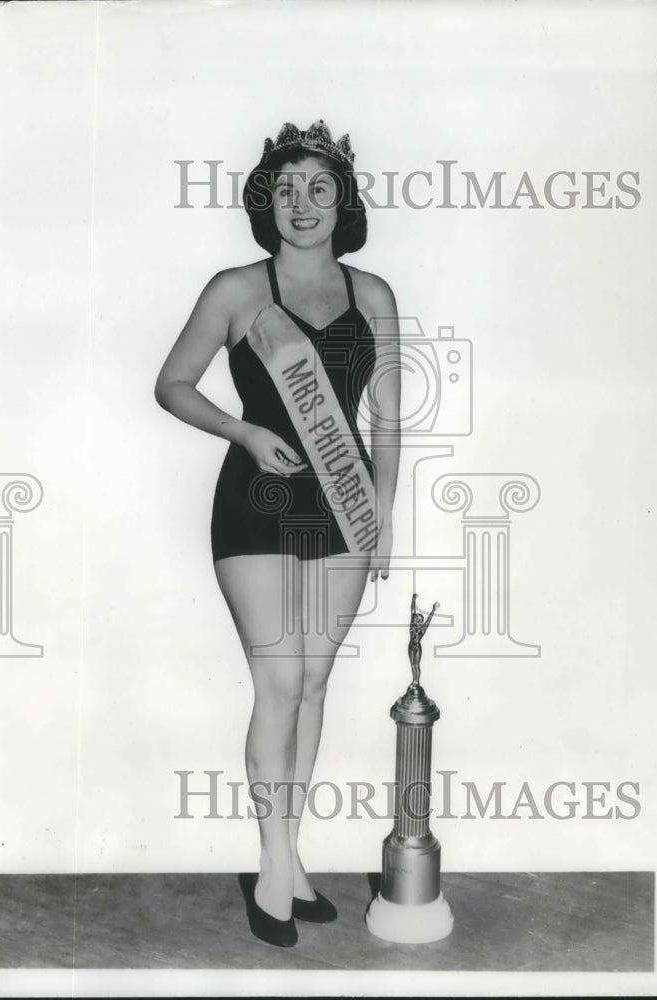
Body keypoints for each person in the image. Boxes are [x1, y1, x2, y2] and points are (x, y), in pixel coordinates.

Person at [155, 120, 401, 947]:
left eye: (318, 188)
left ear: (344, 201)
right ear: (267, 202)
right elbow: (173, 385)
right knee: (279, 685)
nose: (301, 204)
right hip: (255, 504)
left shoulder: (373, 295)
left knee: (317, 687)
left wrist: (383, 519)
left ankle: (290, 859)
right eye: (285, 190)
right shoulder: (236, 289)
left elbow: (389, 423)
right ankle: (270, 868)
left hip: (343, 511)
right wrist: (246, 433)